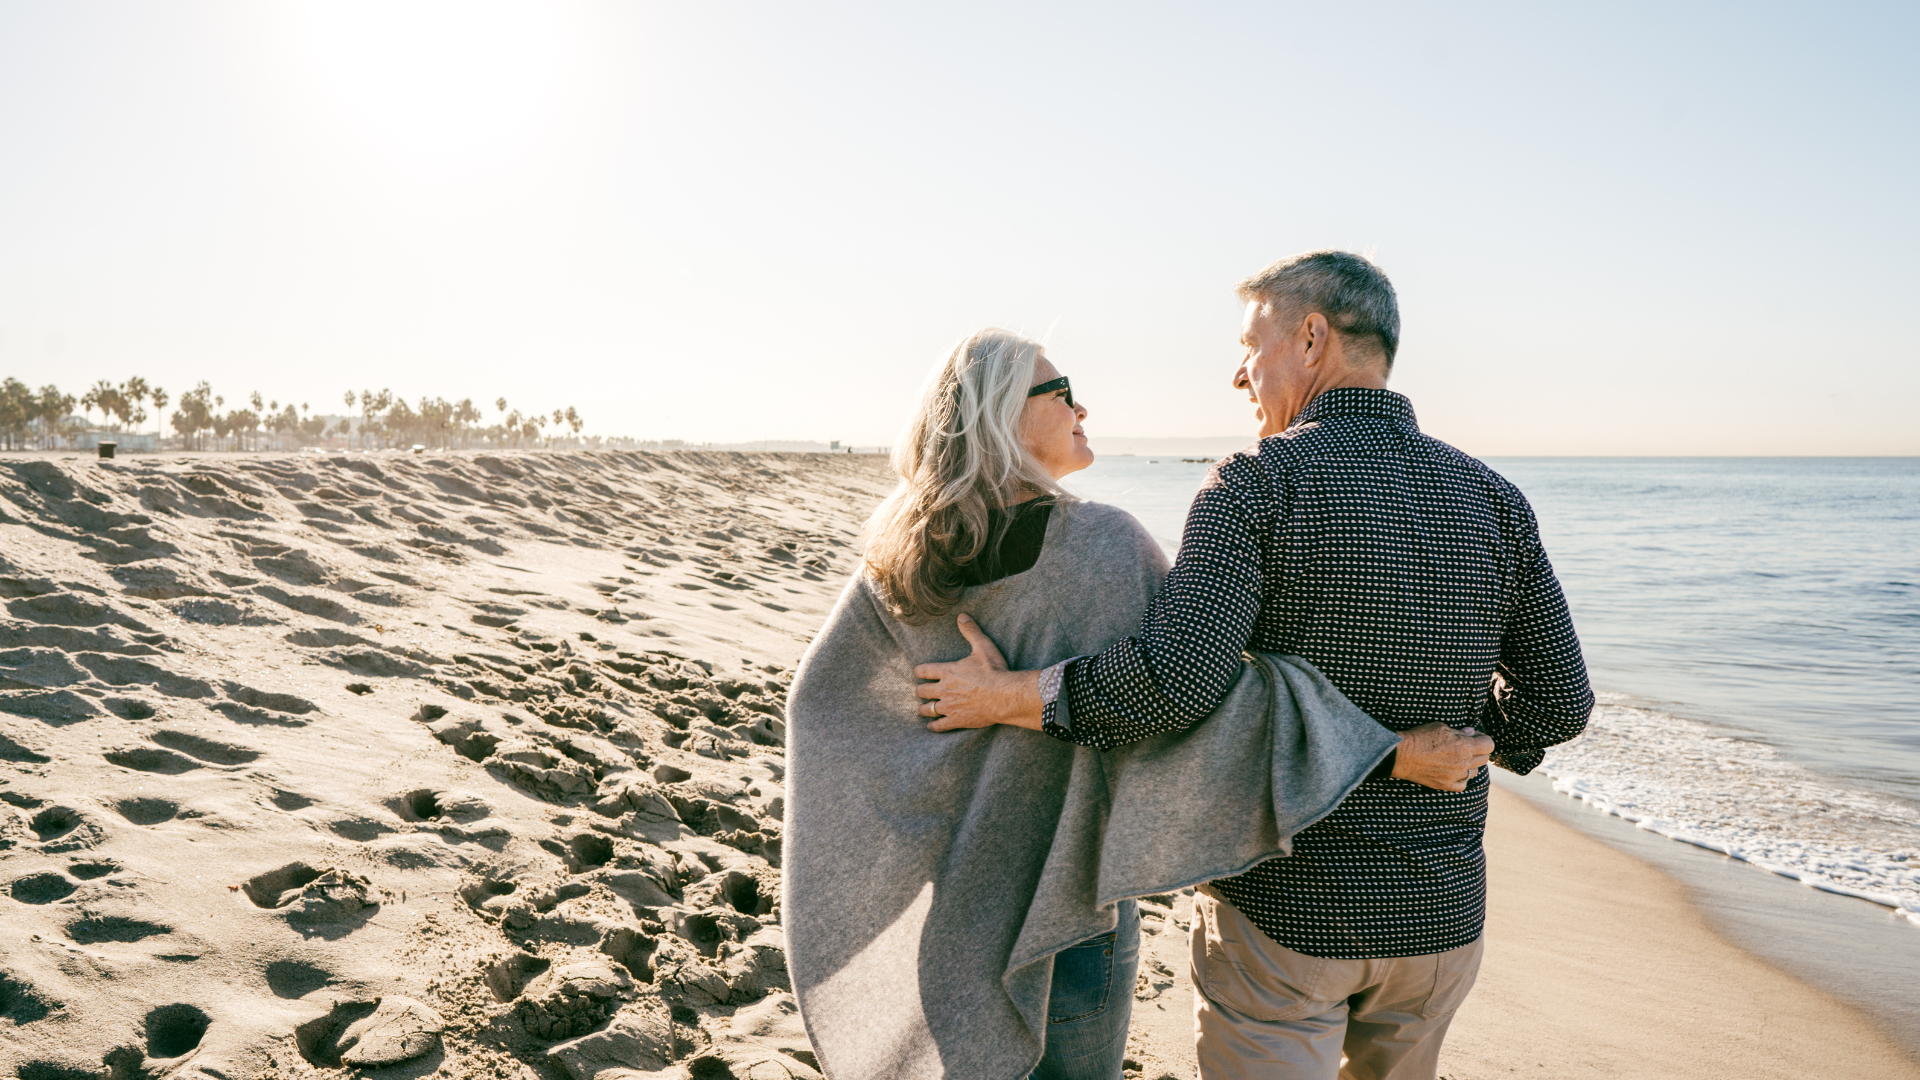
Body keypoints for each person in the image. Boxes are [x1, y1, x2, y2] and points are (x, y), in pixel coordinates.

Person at [915, 252, 1595, 1080]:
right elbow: (1560, 701)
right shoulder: (1492, 497)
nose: (1240, 374)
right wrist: (1465, 744)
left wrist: (1009, 696)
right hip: (1440, 918)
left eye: (1251, 344)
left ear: (1311, 339)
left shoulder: (1255, 484)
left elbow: (1174, 683)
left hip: (1285, 916)